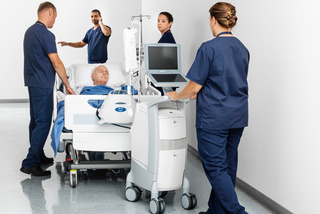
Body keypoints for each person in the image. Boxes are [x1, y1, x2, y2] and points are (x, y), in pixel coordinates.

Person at [167, 2, 249, 214]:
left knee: (216, 169)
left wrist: (177, 95)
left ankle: (239, 213)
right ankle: (215, 211)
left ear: (213, 20)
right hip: (237, 117)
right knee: (227, 168)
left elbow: (194, 86)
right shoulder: (242, 48)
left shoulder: (209, 48)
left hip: (214, 119)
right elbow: (226, 81)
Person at [21, 1, 75, 177]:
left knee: (35, 121)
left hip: (32, 81)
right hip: (42, 83)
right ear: (49, 12)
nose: (54, 21)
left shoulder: (29, 31)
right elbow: (56, 62)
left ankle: (38, 156)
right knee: (43, 122)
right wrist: (67, 85)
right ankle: (30, 163)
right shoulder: (46, 34)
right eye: (55, 17)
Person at [152, 11, 176, 95]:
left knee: (166, 104)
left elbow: (166, 60)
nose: (159, 23)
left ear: (170, 23)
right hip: (163, 77)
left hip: (165, 79)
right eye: (158, 21)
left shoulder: (167, 38)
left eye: (163, 21)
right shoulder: (165, 37)